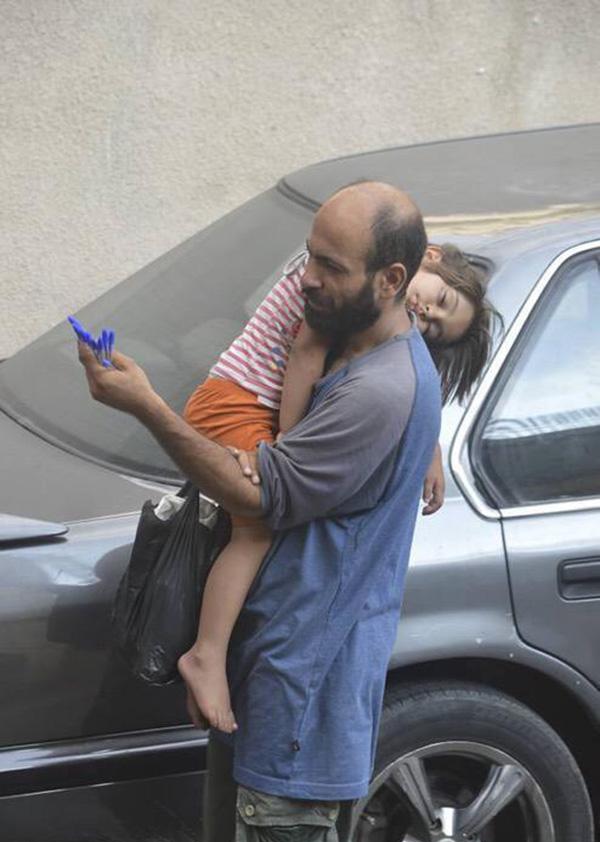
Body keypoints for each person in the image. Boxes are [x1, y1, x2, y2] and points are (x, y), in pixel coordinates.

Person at [77, 181, 469, 842]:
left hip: (299, 702)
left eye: (331, 266)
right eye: (310, 256)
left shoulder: (380, 389)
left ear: (390, 280)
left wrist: (148, 407)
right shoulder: (357, 343)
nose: (307, 278)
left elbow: (260, 492)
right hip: (273, 684)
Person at [179, 240, 493, 734]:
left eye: (434, 324)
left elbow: (405, 371)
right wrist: (290, 444)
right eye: (441, 302)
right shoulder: (340, 288)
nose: (426, 314)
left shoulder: (376, 301)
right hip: (235, 401)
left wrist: (428, 441)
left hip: (252, 403)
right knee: (256, 531)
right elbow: (306, 354)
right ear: (427, 258)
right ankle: (206, 654)